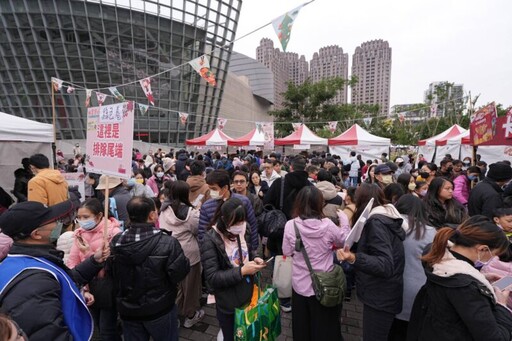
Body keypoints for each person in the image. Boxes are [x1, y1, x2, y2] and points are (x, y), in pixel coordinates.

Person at [0, 200, 109, 340]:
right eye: (54, 220)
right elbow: (48, 334)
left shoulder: (24, 261)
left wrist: (94, 261)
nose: (59, 223)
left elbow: (62, 280)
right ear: (36, 234)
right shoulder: (33, 281)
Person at [407, 216, 512, 340]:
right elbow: (494, 338)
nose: (492, 258)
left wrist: (481, 278)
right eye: (493, 254)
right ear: (483, 249)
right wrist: (501, 306)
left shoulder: (439, 261)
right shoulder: (466, 287)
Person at [109, 196, 190, 341]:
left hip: (129, 310)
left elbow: (112, 274)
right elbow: (178, 274)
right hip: (160, 309)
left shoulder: (117, 242)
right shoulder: (168, 243)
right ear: (152, 215)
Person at [336, 183, 405, 341]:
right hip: (386, 291)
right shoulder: (387, 216)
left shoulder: (376, 223)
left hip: (380, 295)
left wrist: (354, 257)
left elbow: (384, 264)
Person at [282, 186, 349, 341]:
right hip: (324, 284)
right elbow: (343, 241)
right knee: (323, 328)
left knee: (301, 327)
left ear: (298, 203)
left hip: (299, 285)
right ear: (320, 203)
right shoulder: (329, 225)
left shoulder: (290, 225)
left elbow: (286, 251)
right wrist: (344, 222)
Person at [200, 198, 266, 341]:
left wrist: (255, 258)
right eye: (235, 222)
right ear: (224, 219)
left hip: (247, 292)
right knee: (231, 334)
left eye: (242, 221)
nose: (239, 225)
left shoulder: (244, 228)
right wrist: (242, 271)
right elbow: (212, 277)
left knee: (248, 331)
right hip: (227, 300)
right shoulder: (210, 239)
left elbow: (246, 250)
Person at [68, 198, 122, 341]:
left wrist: (87, 254)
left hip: (106, 288)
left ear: (99, 216)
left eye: (86, 217)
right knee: (95, 324)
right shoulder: (79, 233)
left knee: (107, 329)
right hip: (86, 287)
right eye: (79, 217)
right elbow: (72, 262)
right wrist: (82, 287)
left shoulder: (113, 233)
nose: (81, 221)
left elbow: (111, 265)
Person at [388, 195, 436, 341]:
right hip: (419, 288)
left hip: (391, 286)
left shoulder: (389, 226)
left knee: (392, 330)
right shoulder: (430, 232)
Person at [159, 181, 204, 328]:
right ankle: (190, 315)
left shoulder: (164, 210)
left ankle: (174, 315)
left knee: (175, 287)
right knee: (190, 286)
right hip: (189, 254)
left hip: (170, 253)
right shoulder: (190, 213)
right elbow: (197, 231)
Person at [197, 170, 259, 256]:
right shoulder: (206, 207)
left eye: (214, 189)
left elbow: (252, 226)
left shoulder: (243, 202)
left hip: (241, 250)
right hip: (219, 253)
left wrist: (253, 249)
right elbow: (202, 233)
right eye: (210, 188)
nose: (211, 192)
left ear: (225, 188)